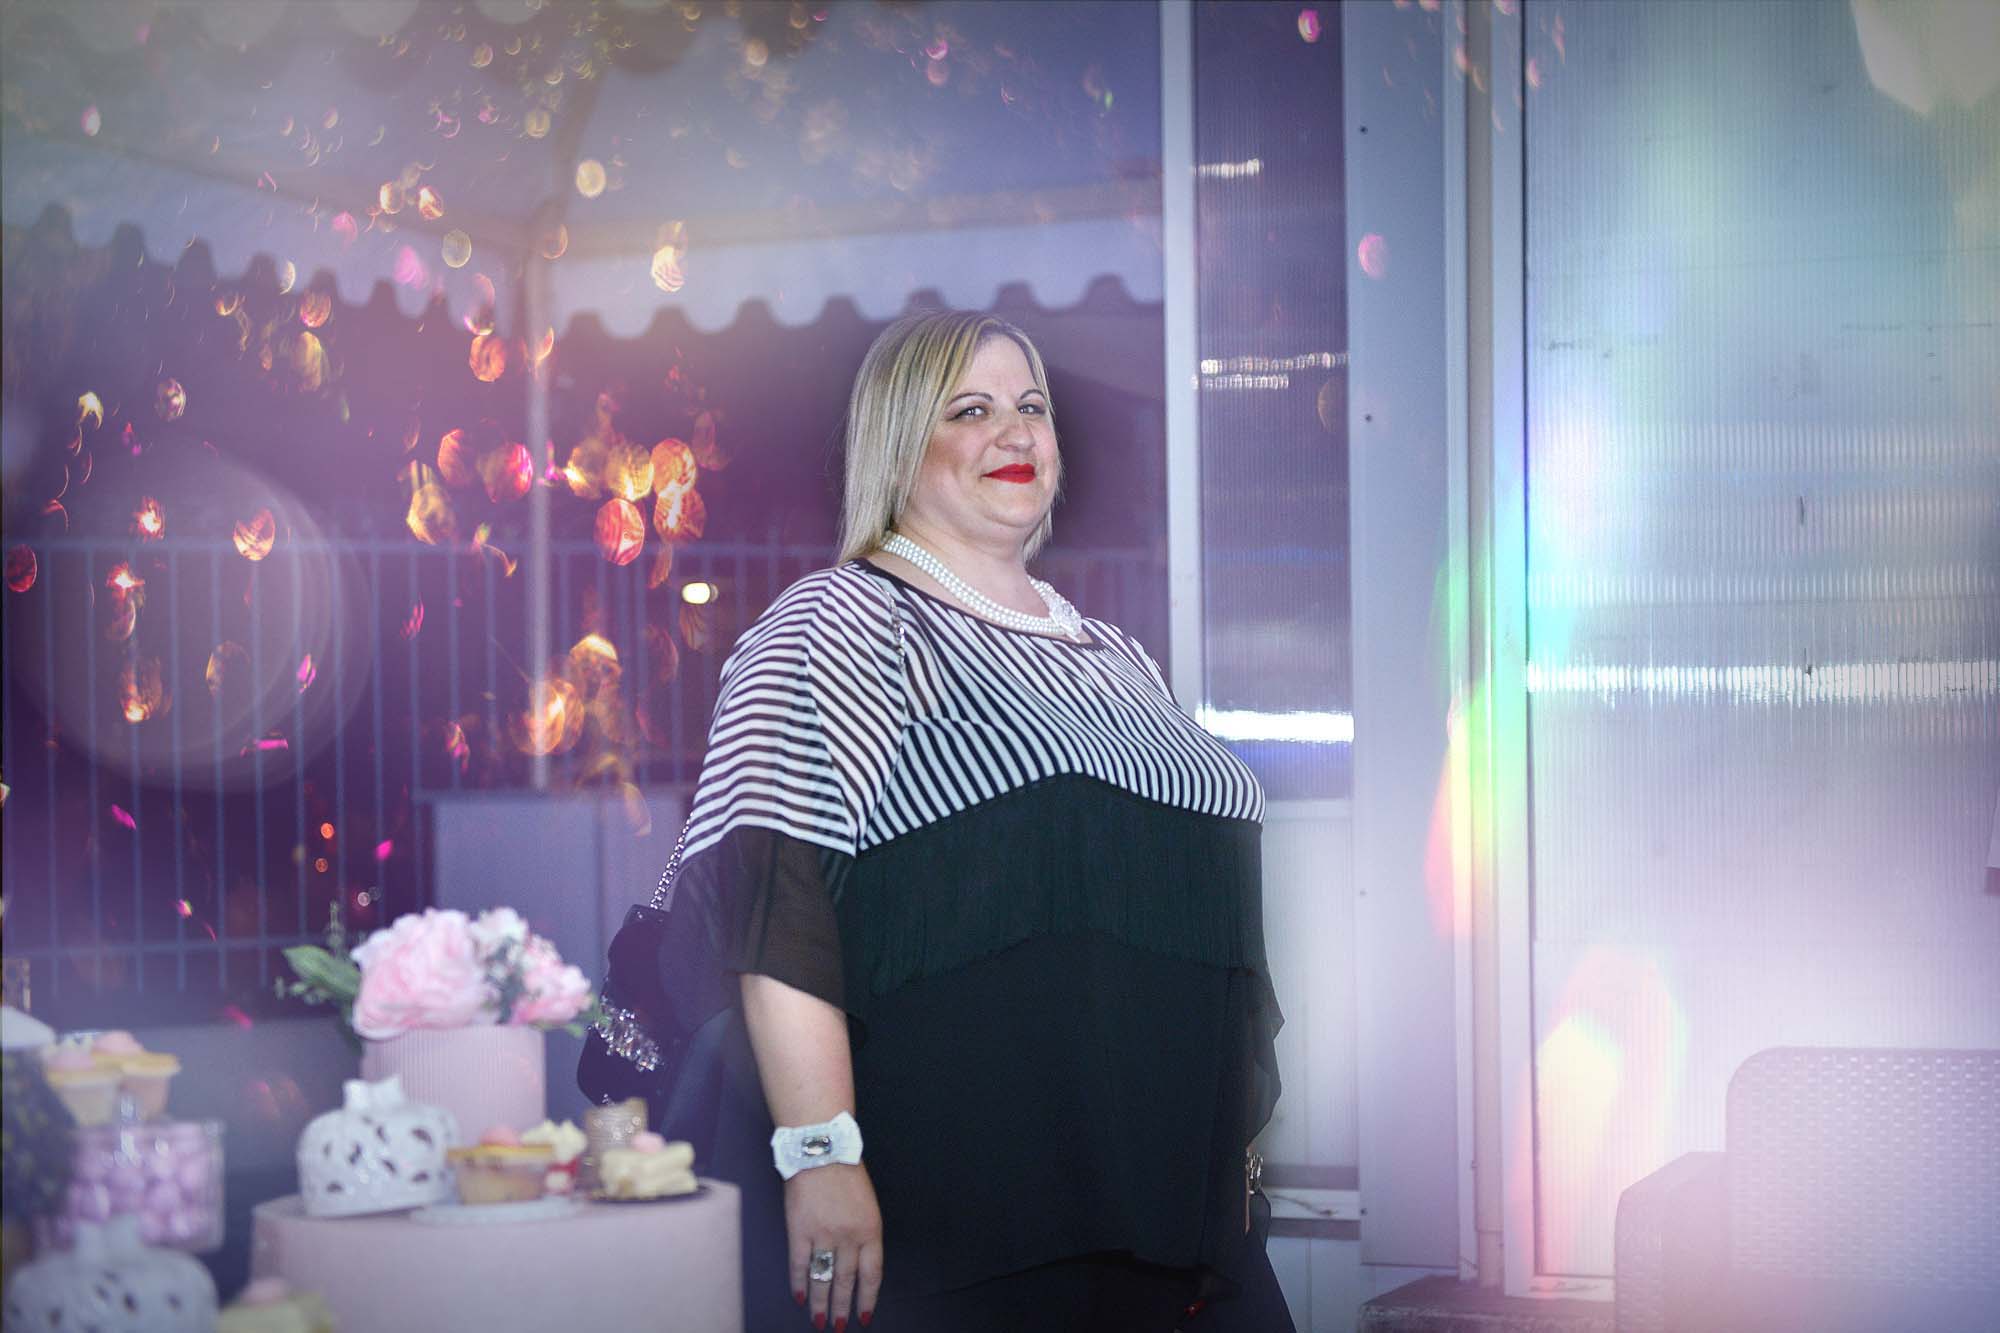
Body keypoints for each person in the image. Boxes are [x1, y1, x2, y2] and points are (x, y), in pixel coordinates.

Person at [662, 310, 1289, 1331]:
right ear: (899, 443)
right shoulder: (844, 620)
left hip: (1165, 1217)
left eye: (1031, 405)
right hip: (970, 1226)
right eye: (970, 410)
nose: (1015, 430)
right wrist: (819, 1156)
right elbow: (777, 895)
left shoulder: (1117, 654)